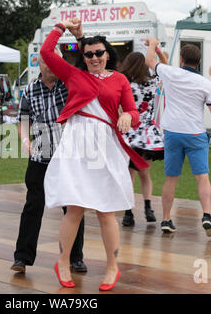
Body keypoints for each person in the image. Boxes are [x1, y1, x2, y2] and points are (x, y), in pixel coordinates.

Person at [41, 18, 148, 291]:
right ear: (83, 57)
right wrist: (60, 27)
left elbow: (134, 112)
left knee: (105, 210)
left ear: (108, 53)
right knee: (74, 208)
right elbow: (46, 53)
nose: (94, 57)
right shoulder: (75, 75)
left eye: (99, 52)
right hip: (78, 144)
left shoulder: (121, 79)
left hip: (107, 146)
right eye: (88, 54)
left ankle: (112, 267)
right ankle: (63, 261)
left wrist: (128, 117)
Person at [11, 48, 88, 274]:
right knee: (33, 206)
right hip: (41, 156)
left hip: (68, 156)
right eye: (46, 62)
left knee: (73, 207)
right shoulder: (30, 91)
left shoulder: (69, 85)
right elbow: (22, 119)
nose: (50, 66)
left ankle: (75, 258)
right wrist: (25, 140)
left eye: (55, 62)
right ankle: (22, 258)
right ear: (39, 63)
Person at [145, 37, 211, 236]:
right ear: (198, 61)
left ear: (181, 59)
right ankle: (207, 216)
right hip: (195, 133)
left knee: (171, 178)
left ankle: (166, 219)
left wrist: (152, 45)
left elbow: (150, 62)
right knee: (202, 177)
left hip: (173, 133)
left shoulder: (171, 74)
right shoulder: (205, 83)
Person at [120, 51, 167, 226]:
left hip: (130, 133)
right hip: (148, 135)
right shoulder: (153, 82)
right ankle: (148, 208)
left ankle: (128, 212)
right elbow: (166, 67)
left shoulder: (125, 84)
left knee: (129, 174)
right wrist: (159, 53)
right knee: (145, 174)